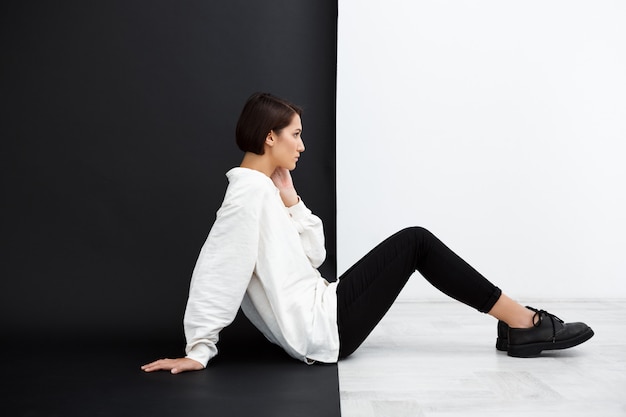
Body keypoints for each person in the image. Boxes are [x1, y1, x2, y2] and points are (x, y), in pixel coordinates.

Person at [141, 92, 594, 374]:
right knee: (416, 240)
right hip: (322, 328)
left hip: (325, 310)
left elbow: (315, 255)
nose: (302, 145)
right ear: (269, 139)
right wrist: (199, 348)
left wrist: (292, 199)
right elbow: (218, 271)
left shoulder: (265, 190)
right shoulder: (245, 197)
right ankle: (523, 323)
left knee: (415, 241)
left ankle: (520, 324)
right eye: (295, 135)